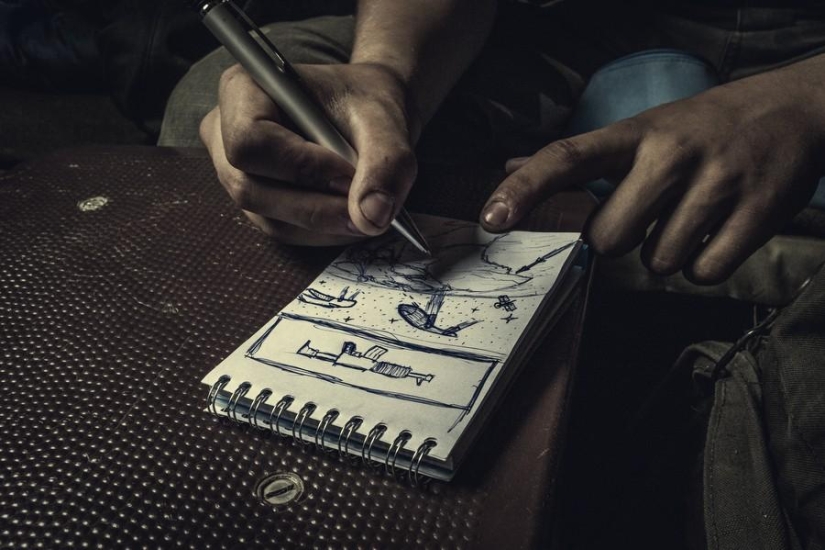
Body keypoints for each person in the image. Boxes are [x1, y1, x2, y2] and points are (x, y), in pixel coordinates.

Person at [159, 0, 825, 288]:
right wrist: (387, 74)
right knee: (231, 111)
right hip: (580, 26)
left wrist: (802, 102)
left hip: (806, 58)